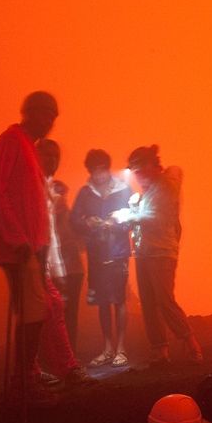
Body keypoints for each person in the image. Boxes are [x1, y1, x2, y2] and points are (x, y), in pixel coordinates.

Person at [0, 91, 59, 408]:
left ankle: (26, 379)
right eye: (47, 115)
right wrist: (14, 237)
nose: (51, 123)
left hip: (32, 245)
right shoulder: (12, 140)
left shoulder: (29, 146)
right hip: (22, 247)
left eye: (53, 117)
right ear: (31, 113)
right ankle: (23, 384)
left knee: (33, 311)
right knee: (32, 310)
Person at [116, 145, 203, 366]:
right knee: (148, 302)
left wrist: (130, 217)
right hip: (144, 253)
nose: (136, 175)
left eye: (139, 169)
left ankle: (191, 344)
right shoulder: (147, 193)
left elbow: (157, 218)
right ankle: (160, 351)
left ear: (150, 166)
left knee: (165, 300)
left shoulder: (167, 184)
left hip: (162, 253)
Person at [70, 149, 132, 367]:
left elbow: (132, 215)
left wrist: (118, 222)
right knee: (103, 301)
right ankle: (107, 348)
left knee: (120, 299)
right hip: (96, 253)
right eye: (95, 171)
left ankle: (121, 348)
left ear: (107, 168)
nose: (100, 175)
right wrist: (88, 223)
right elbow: (74, 219)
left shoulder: (123, 189)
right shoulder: (85, 193)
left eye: (102, 170)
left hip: (118, 250)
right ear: (90, 172)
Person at [36, 139, 85, 351]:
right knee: (47, 315)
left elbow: (73, 235)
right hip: (48, 267)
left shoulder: (61, 199)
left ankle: (68, 361)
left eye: (55, 156)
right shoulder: (35, 189)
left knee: (68, 315)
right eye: (47, 155)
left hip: (70, 267)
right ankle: (52, 362)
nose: (52, 160)